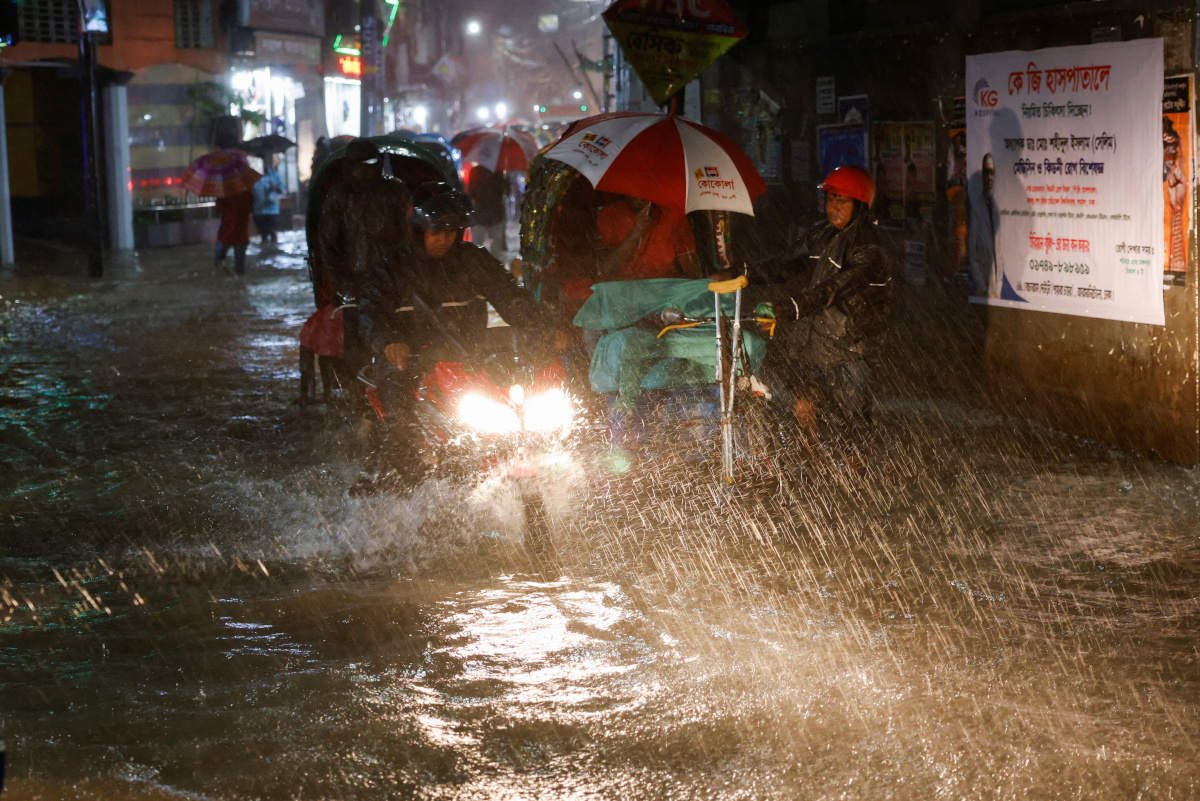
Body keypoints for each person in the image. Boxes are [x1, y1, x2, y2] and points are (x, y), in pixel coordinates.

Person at [354, 184, 553, 488]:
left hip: (468, 357)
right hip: (411, 361)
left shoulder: (473, 259)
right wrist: (389, 342)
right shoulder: (392, 267)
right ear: (418, 230)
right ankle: (403, 490)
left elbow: (510, 298)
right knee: (400, 420)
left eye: (451, 232)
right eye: (437, 232)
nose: (444, 240)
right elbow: (370, 312)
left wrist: (545, 329)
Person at [747, 165, 891, 443]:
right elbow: (786, 264)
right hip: (815, 342)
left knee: (853, 421)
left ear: (860, 206)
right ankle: (813, 466)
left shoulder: (868, 249)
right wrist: (742, 273)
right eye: (829, 199)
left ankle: (856, 474)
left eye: (842, 200)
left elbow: (833, 290)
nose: (832, 207)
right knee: (804, 404)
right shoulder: (822, 235)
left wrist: (786, 309)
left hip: (851, 347)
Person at [596, 195, 700, 282]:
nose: (639, 196)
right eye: (634, 189)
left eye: (644, 189)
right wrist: (635, 234)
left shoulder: (673, 215)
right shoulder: (610, 215)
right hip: (623, 293)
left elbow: (690, 267)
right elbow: (605, 272)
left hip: (665, 292)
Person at [967, 153, 999, 298]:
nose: (989, 177)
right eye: (986, 172)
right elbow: (972, 253)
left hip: (996, 288)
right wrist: (981, 284)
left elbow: (999, 250)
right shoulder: (976, 207)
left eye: (992, 173)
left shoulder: (996, 208)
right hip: (983, 289)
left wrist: (999, 283)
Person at [466, 165, 509, 258]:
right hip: (493, 216)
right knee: (495, 249)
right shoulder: (499, 172)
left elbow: (470, 194)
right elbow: (506, 191)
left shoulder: (476, 171)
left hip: (483, 216)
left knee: (478, 247)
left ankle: (480, 267)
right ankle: (494, 268)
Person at [252, 152, 285, 248]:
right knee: (263, 235)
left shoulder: (274, 175)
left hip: (272, 210)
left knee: (273, 233)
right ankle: (265, 254)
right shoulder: (254, 176)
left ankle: (272, 253)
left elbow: (281, 189)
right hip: (258, 210)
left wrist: (274, 187)